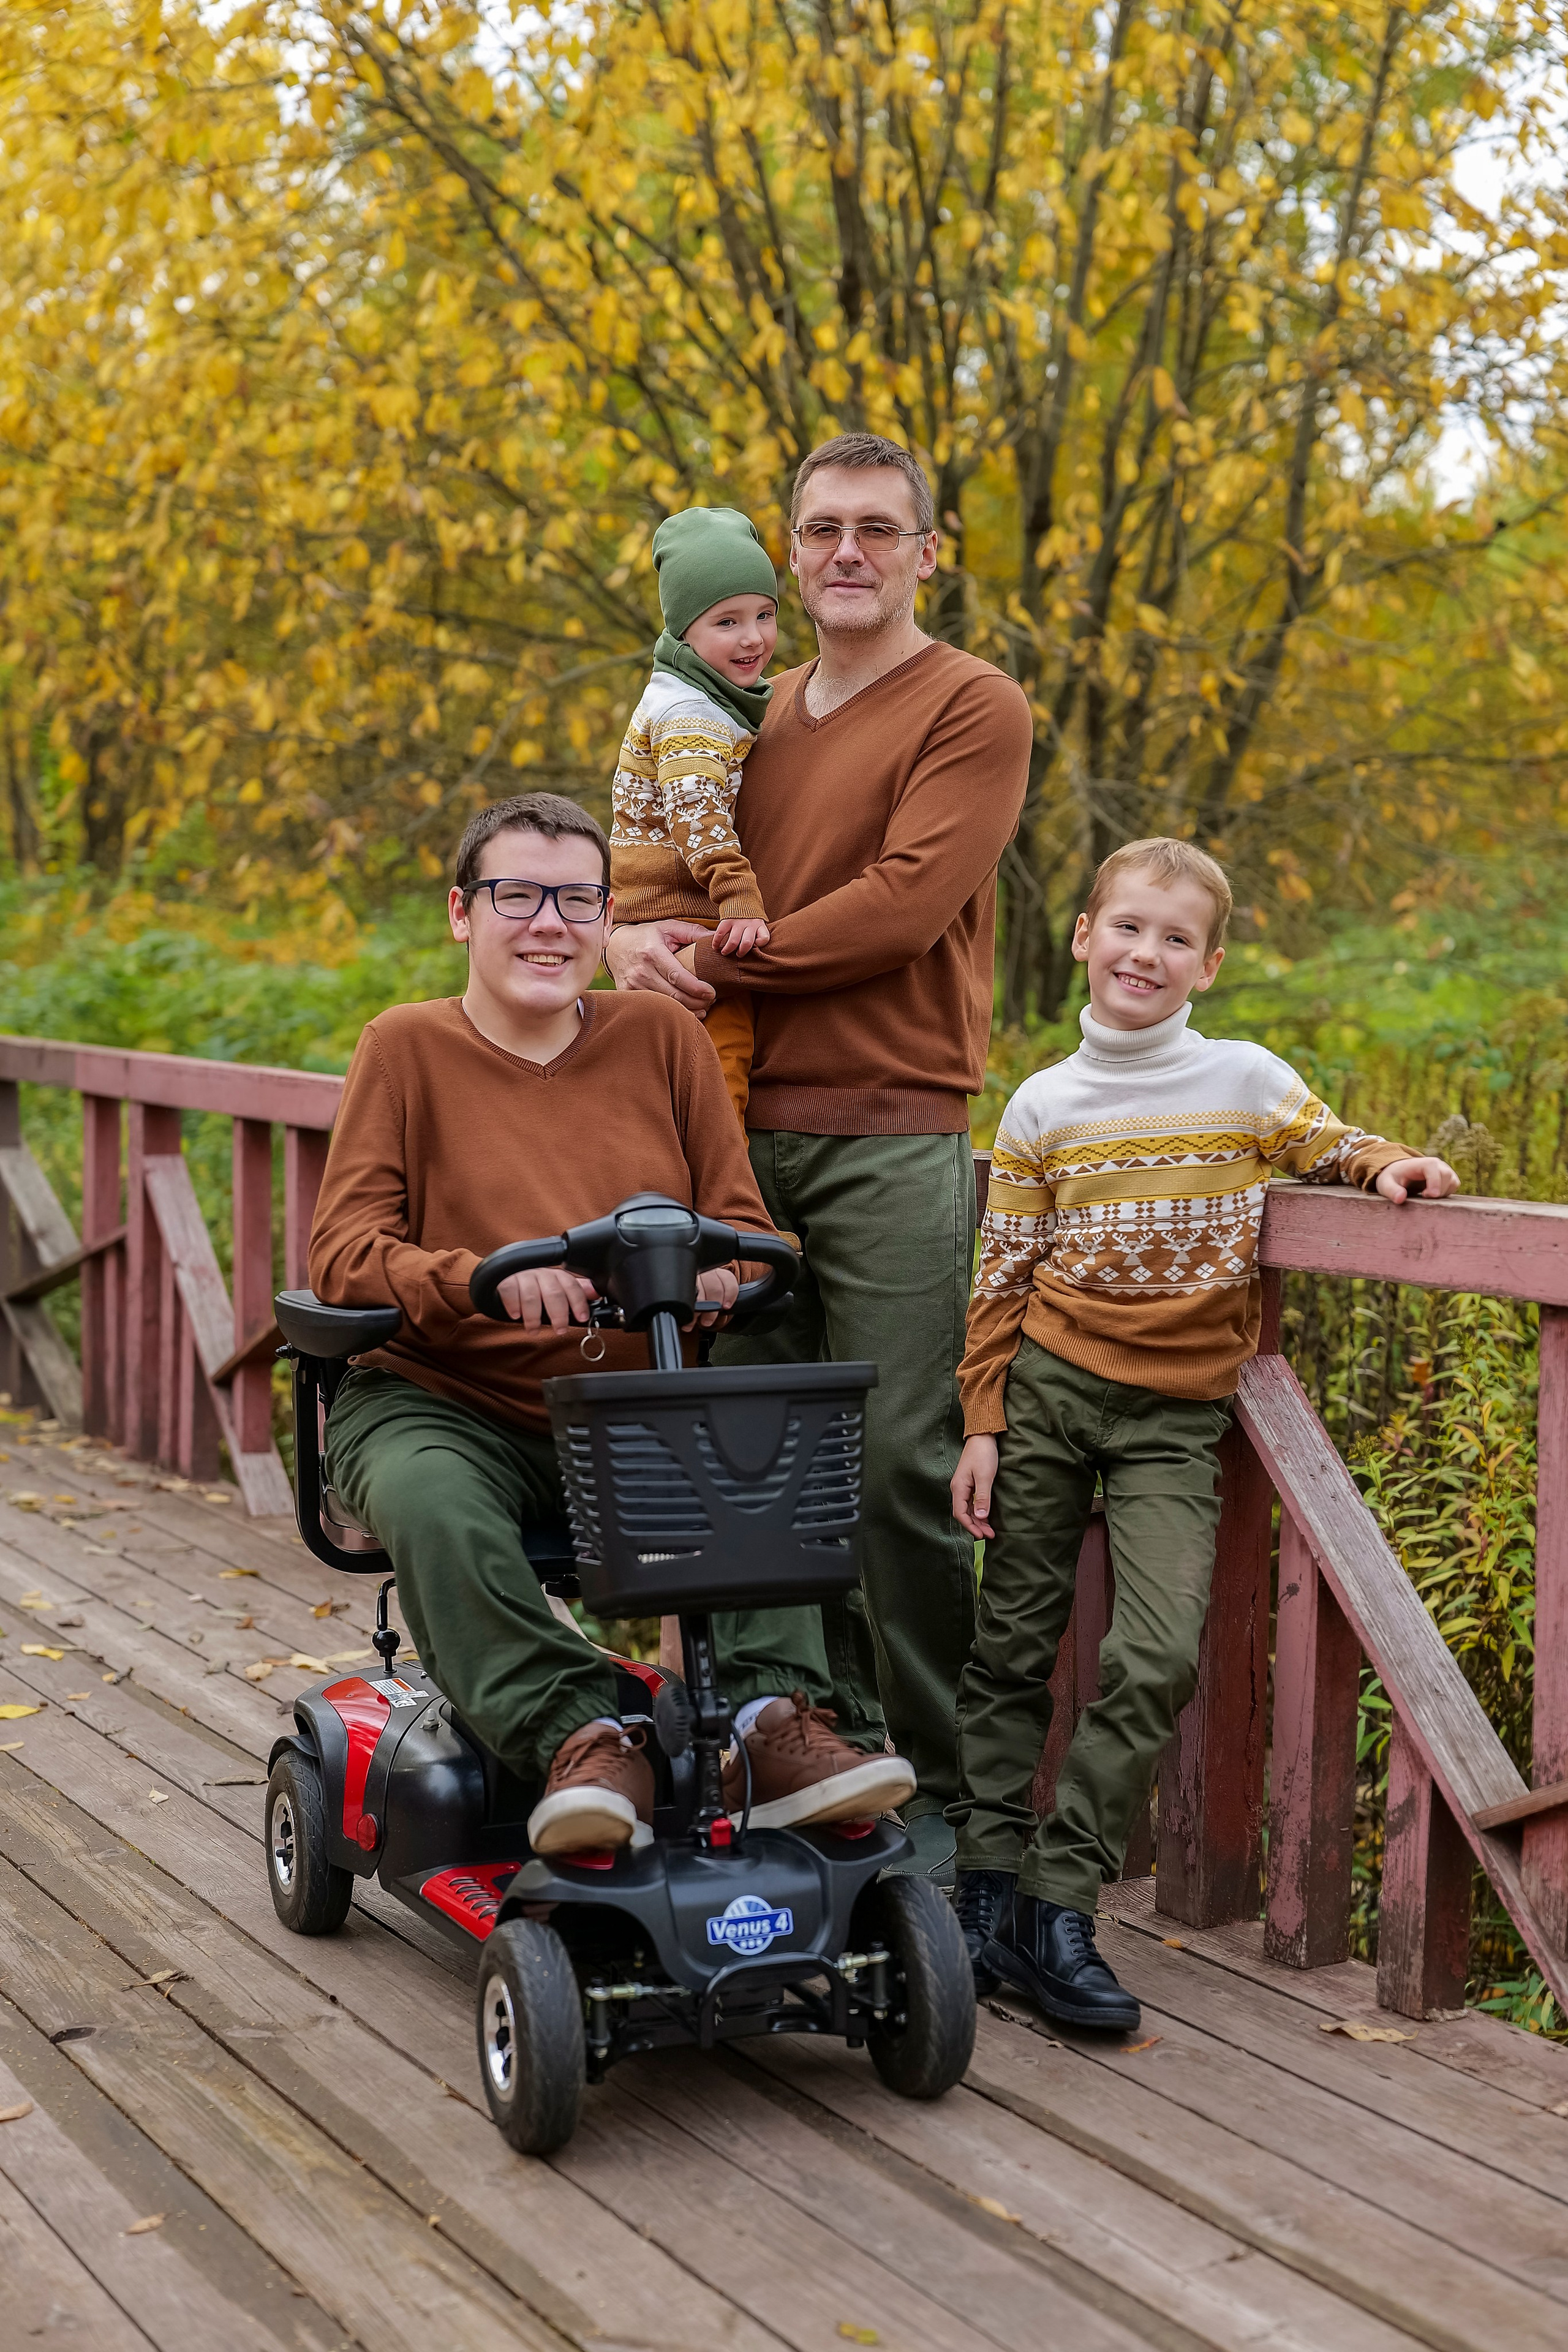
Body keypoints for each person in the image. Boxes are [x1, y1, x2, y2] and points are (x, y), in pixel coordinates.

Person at [309, 790, 914, 1860]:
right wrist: (479, 1280)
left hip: (632, 1404)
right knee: (434, 1500)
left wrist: (723, 1271)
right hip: (442, 1400)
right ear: (462, 913)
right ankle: (580, 1737)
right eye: (517, 896)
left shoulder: (660, 1037)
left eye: (578, 900)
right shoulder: (403, 1047)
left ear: (606, 919)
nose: (549, 924)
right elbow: (345, 1253)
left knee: (758, 1453)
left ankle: (768, 1723)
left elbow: (742, 1225)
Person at [608, 432, 1034, 1882]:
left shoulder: (969, 704)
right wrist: (624, 941)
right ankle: (810, 1760)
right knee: (748, 1466)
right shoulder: (743, 702)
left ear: (927, 552)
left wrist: (711, 959)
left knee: (897, 1468)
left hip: (890, 1132)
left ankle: (960, 1813)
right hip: (727, 1133)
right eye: (820, 528)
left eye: (876, 528)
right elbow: (658, 855)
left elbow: (901, 906)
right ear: (789, 554)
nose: (846, 551)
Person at [946, 836, 1460, 2029]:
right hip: (1046, 1391)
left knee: (1154, 1654)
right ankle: (983, 1887)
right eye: (1127, 927)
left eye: (1175, 938)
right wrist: (982, 1423)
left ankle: (1055, 1900)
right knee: (1012, 1647)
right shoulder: (1042, 1103)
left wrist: (1389, 1166)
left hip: (1174, 1418)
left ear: (1209, 964)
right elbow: (1000, 1278)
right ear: (1085, 936)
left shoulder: (1242, 1080)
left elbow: (1329, 1142)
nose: (1146, 953)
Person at [610, 506, 780, 1124]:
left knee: (669, 1080)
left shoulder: (695, 693)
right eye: (726, 621)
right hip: (685, 914)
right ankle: (717, 1181)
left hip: (658, 907)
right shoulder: (692, 714)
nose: (752, 638)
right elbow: (695, 812)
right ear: (685, 631)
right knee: (719, 1070)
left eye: (765, 615)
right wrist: (738, 896)